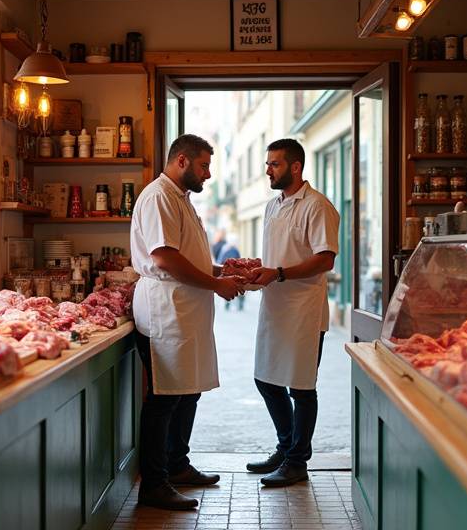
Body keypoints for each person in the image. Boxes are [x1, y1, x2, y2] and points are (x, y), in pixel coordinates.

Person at [130, 134, 246, 510]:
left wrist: (222, 271)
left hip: (185, 313)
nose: (208, 174)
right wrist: (216, 284)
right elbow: (163, 258)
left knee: (187, 391)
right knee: (164, 399)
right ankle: (154, 484)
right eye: (203, 166)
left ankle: (177, 465)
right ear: (182, 160)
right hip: (164, 312)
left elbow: (187, 258)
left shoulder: (181, 200)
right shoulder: (160, 197)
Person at [245, 138, 340, 487]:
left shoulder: (318, 206)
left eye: (274, 164)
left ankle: (297, 462)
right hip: (273, 306)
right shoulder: (273, 206)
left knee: (301, 388)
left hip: (304, 310)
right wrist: (259, 268)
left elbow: (325, 258)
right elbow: (278, 256)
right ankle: (286, 449)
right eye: (268, 164)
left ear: (295, 167)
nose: (268, 170)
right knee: (265, 379)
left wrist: (280, 272)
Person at [215, 236, 245, 312]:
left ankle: (227, 302)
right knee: (237, 286)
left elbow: (220, 260)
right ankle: (240, 303)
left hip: (226, 272)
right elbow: (240, 260)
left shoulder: (225, 249)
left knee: (229, 286)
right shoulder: (235, 250)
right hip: (234, 271)